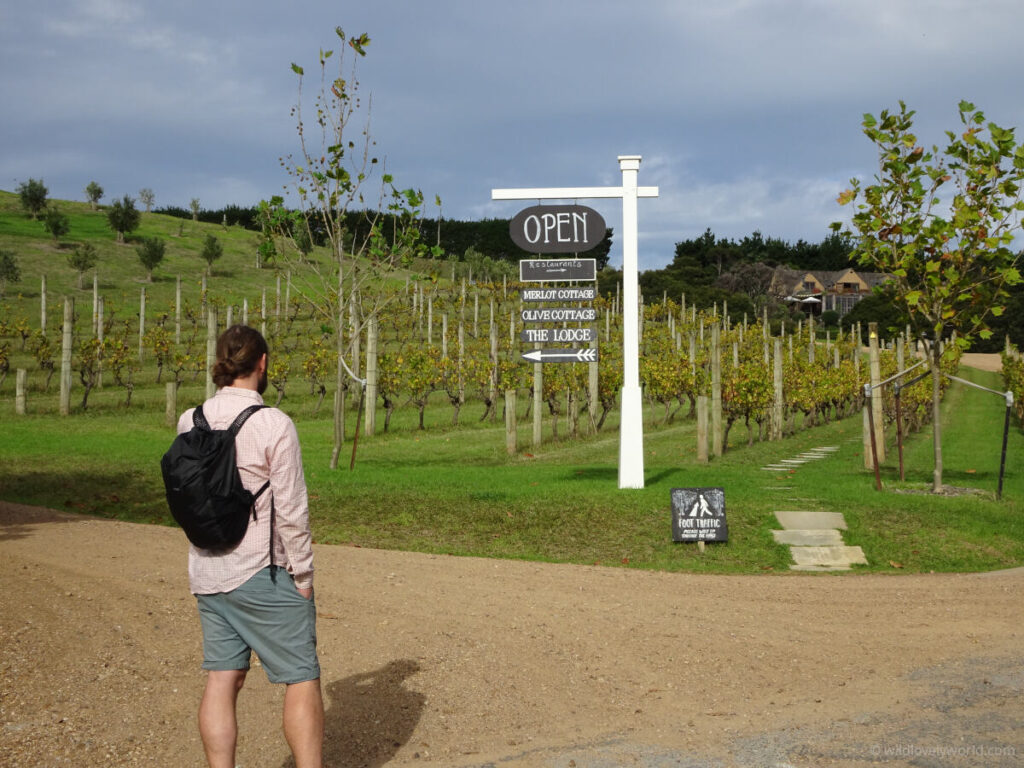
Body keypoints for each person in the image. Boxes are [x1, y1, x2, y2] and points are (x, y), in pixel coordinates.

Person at [177, 324, 323, 768]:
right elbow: (293, 511)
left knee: (223, 678)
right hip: (263, 570)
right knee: (302, 678)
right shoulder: (274, 423)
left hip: (207, 571)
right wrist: (303, 576)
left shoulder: (190, 419)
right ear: (262, 364)